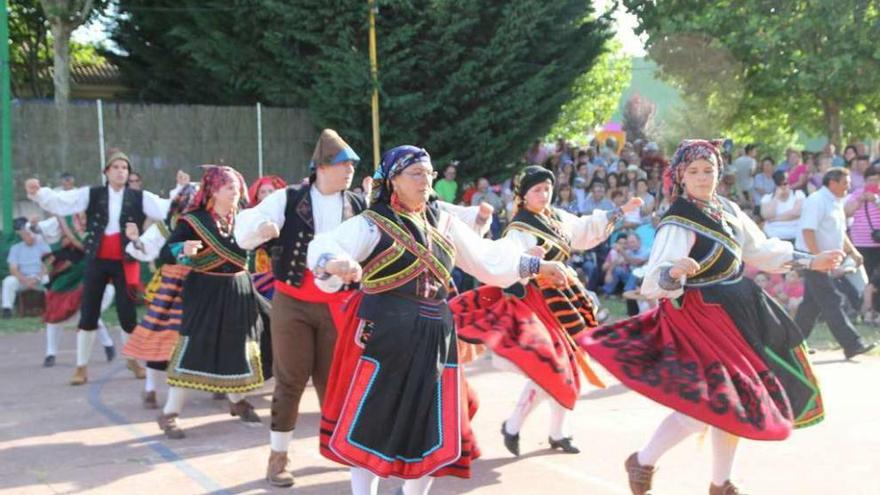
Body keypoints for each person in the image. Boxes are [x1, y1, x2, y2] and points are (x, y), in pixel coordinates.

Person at [579, 139, 844, 495]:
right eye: (694, 171)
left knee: (732, 402)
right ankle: (643, 460)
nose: (703, 177)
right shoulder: (678, 220)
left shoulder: (729, 209)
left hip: (737, 311)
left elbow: (760, 250)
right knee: (704, 406)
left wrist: (812, 261)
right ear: (681, 176)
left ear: (719, 172)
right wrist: (675, 273)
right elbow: (656, 278)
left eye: (709, 170)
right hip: (698, 318)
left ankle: (720, 483)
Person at [307, 145, 572, 495]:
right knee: (373, 421)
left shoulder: (443, 221)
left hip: (434, 336)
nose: (425, 181)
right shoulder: (371, 224)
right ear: (393, 180)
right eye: (416, 174)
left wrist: (538, 266)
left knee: (433, 425)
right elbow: (327, 244)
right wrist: (333, 262)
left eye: (429, 174)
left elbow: (486, 258)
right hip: (383, 335)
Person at [451, 165, 641, 457]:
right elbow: (507, 262)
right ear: (523, 196)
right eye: (537, 189)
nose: (544, 193)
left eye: (547, 188)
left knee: (565, 365)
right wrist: (529, 261)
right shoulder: (520, 229)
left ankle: (548, 431)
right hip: (537, 303)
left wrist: (619, 211)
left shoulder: (556, 218)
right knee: (554, 366)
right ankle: (524, 427)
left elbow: (584, 229)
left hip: (564, 298)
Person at [25, 150, 173, 385]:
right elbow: (63, 201)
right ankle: (81, 367)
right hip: (97, 261)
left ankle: (132, 360)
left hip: (126, 261)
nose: (121, 172)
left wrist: (188, 193)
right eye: (116, 167)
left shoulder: (140, 197)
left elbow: (168, 207)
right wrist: (39, 193)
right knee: (89, 313)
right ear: (106, 172)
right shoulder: (91, 194)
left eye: (124, 168)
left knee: (128, 314)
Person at [156, 166, 270, 439]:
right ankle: (170, 414)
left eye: (237, 187)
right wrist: (181, 249)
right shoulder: (193, 221)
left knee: (240, 346)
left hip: (239, 290)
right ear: (214, 190)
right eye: (229, 187)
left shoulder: (244, 218)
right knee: (193, 347)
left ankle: (236, 401)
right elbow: (164, 254)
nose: (237, 192)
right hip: (204, 292)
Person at [122, 184, 198, 409]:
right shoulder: (166, 227)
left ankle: (222, 387)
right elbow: (143, 249)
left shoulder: (208, 223)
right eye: (191, 202)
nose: (195, 206)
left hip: (203, 286)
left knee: (207, 334)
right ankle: (150, 389)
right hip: (172, 288)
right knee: (161, 338)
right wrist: (135, 240)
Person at [794, 167, 877, 359]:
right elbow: (808, 232)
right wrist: (818, 258)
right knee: (832, 299)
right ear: (832, 183)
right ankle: (852, 344)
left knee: (811, 305)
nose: (849, 186)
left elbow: (839, 232)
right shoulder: (816, 201)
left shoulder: (837, 202)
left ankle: (794, 346)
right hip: (811, 258)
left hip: (823, 259)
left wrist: (853, 252)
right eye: (845, 183)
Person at [31, 214, 116, 367]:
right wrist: (34, 225)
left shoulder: (92, 233)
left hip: (84, 282)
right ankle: (50, 353)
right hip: (61, 288)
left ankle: (108, 345)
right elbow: (39, 231)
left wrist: (62, 221)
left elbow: (77, 240)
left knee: (88, 315)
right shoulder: (58, 253)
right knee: (53, 319)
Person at [3, 218, 50, 318]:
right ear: (21, 235)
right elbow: (13, 269)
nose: (28, 236)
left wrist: (36, 278)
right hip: (23, 279)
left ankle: (52, 307)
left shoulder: (43, 245)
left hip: (39, 278)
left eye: (29, 233)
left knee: (48, 279)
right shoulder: (15, 248)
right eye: (25, 234)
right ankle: (7, 309)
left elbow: (47, 266)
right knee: (9, 280)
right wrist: (25, 280)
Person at [760, 171, 805, 243]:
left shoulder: (798, 194)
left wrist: (775, 219)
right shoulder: (767, 198)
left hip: (794, 235)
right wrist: (776, 197)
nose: (783, 187)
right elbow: (767, 215)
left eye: (785, 183)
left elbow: (795, 213)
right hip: (773, 236)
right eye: (779, 184)